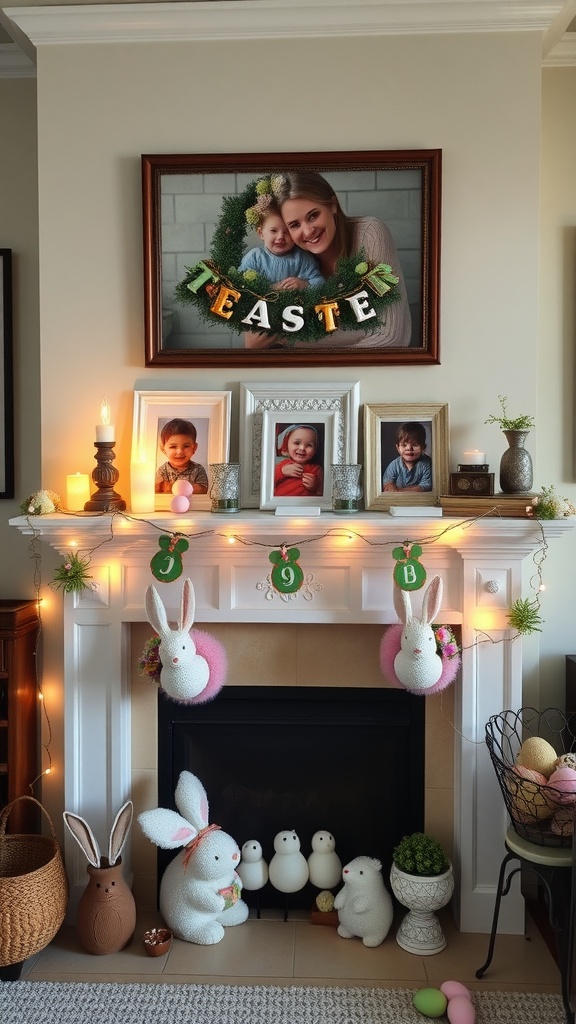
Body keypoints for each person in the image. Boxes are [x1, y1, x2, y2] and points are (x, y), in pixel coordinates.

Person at [244, 169, 411, 349]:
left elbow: (391, 337)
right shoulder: (293, 260)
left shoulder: (370, 234)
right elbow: (254, 339)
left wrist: (282, 334)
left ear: (332, 204)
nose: (308, 231)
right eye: (294, 225)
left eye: (313, 215)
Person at [239, 198, 324, 290]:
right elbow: (240, 283)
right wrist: (271, 289)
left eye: (287, 232)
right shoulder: (255, 257)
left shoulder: (302, 258)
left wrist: (304, 285)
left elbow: (320, 282)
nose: (280, 237)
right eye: (273, 231)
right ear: (261, 233)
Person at [155, 417, 208, 494]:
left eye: (186, 446)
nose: (180, 452)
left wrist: (177, 488)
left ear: (194, 448)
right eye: (173, 447)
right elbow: (157, 490)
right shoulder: (163, 470)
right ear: (163, 449)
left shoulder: (198, 469)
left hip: (193, 504)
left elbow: (203, 490)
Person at [274, 423, 323, 497]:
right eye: (297, 443)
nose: (302, 448)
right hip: (280, 505)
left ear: (315, 449)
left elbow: (323, 494)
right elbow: (268, 485)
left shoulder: (316, 469)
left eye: (309, 445)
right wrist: (282, 472)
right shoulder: (282, 465)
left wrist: (314, 487)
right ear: (287, 444)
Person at [382, 421, 432, 492]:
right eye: (404, 445)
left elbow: (426, 486)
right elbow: (387, 484)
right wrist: (390, 486)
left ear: (423, 447)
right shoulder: (394, 465)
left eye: (415, 445)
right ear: (398, 448)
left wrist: (400, 490)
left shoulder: (426, 464)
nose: (409, 448)